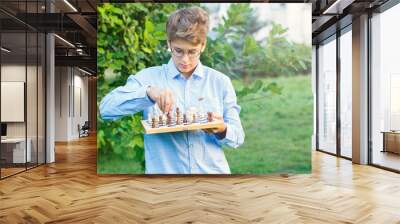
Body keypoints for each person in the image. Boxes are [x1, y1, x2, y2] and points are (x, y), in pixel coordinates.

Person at [99, 7, 244, 174]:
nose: (185, 60)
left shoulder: (220, 82)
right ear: (168, 44)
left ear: (203, 46)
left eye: (192, 52)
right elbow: (105, 109)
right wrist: (148, 92)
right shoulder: (148, 78)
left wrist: (222, 129)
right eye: (178, 51)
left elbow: (238, 137)